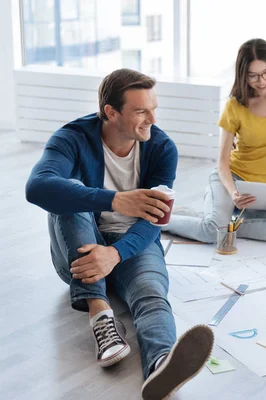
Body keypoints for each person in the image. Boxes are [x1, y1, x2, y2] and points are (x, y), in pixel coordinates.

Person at [25, 69, 214, 400]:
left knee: (152, 295)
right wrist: (114, 199)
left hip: (132, 246)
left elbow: (154, 218)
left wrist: (115, 254)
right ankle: (101, 317)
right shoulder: (72, 138)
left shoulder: (162, 147)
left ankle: (161, 368)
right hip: (79, 251)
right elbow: (37, 188)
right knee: (69, 194)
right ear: (111, 112)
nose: (152, 119)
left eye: (153, 108)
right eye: (141, 111)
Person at [163, 38, 266, 243]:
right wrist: (233, 193)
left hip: (262, 194)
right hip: (231, 180)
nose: (263, 80)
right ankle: (161, 222)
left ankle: (216, 222)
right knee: (211, 233)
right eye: (254, 76)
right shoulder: (234, 105)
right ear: (243, 75)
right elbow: (222, 163)